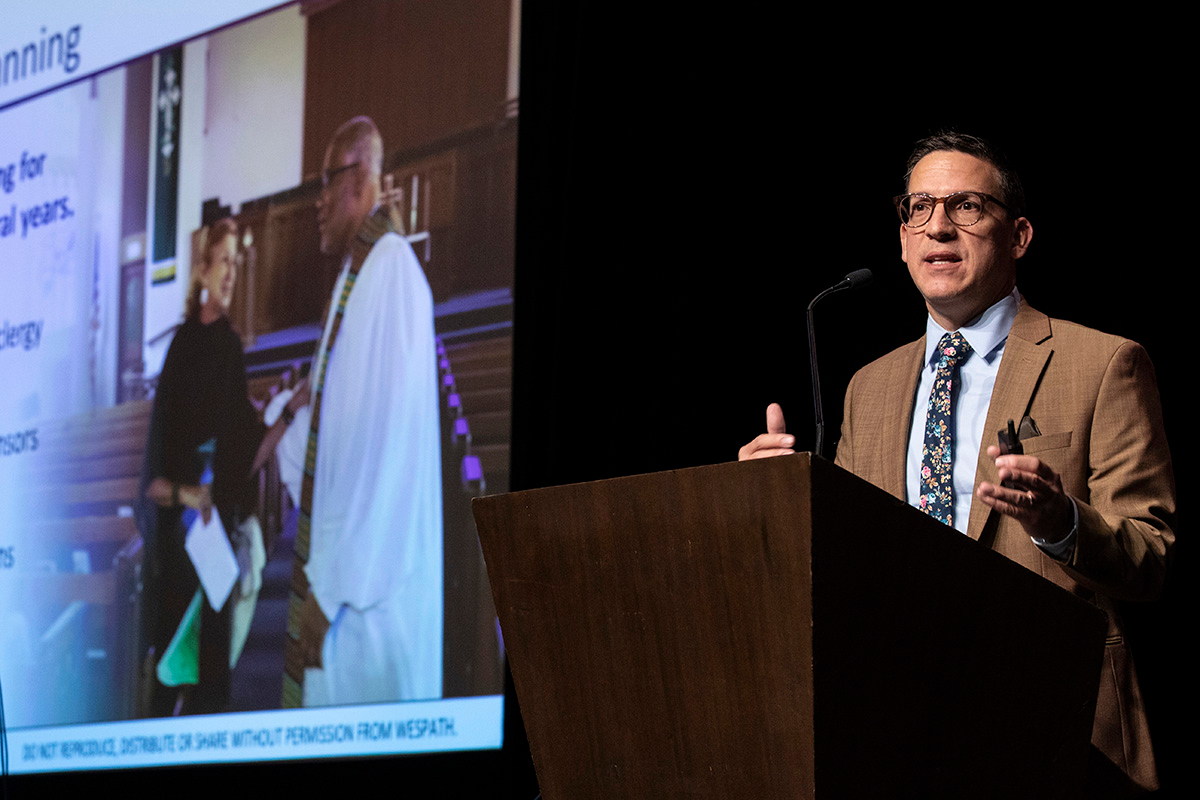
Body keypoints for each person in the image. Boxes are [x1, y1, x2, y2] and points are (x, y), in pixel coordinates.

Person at [739, 132, 1175, 795]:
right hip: (893, 725)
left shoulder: (1103, 365)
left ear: (1019, 235)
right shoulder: (871, 386)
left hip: (1054, 726)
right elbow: (853, 568)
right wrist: (776, 505)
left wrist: (1060, 523)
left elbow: (1151, 556)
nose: (937, 225)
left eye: (967, 206)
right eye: (918, 207)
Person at [274, 116, 443, 707]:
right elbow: (334, 427)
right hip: (341, 583)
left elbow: (386, 451)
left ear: (364, 176)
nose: (317, 200)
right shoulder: (355, 277)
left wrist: (331, 589)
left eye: (328, 180)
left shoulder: (391, 271)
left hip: (366, 602)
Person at [141, 218, 305, 715]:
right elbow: (155, 471)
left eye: (237, 262)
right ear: (203, 270)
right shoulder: (179, 347)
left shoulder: (231, 346)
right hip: (180, 538)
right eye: (224, 261)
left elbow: (241, 454)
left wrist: (288, 416)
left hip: (214, 539)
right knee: (171, 674)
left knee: (212, 679)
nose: (231, 273)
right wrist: (188, 495)